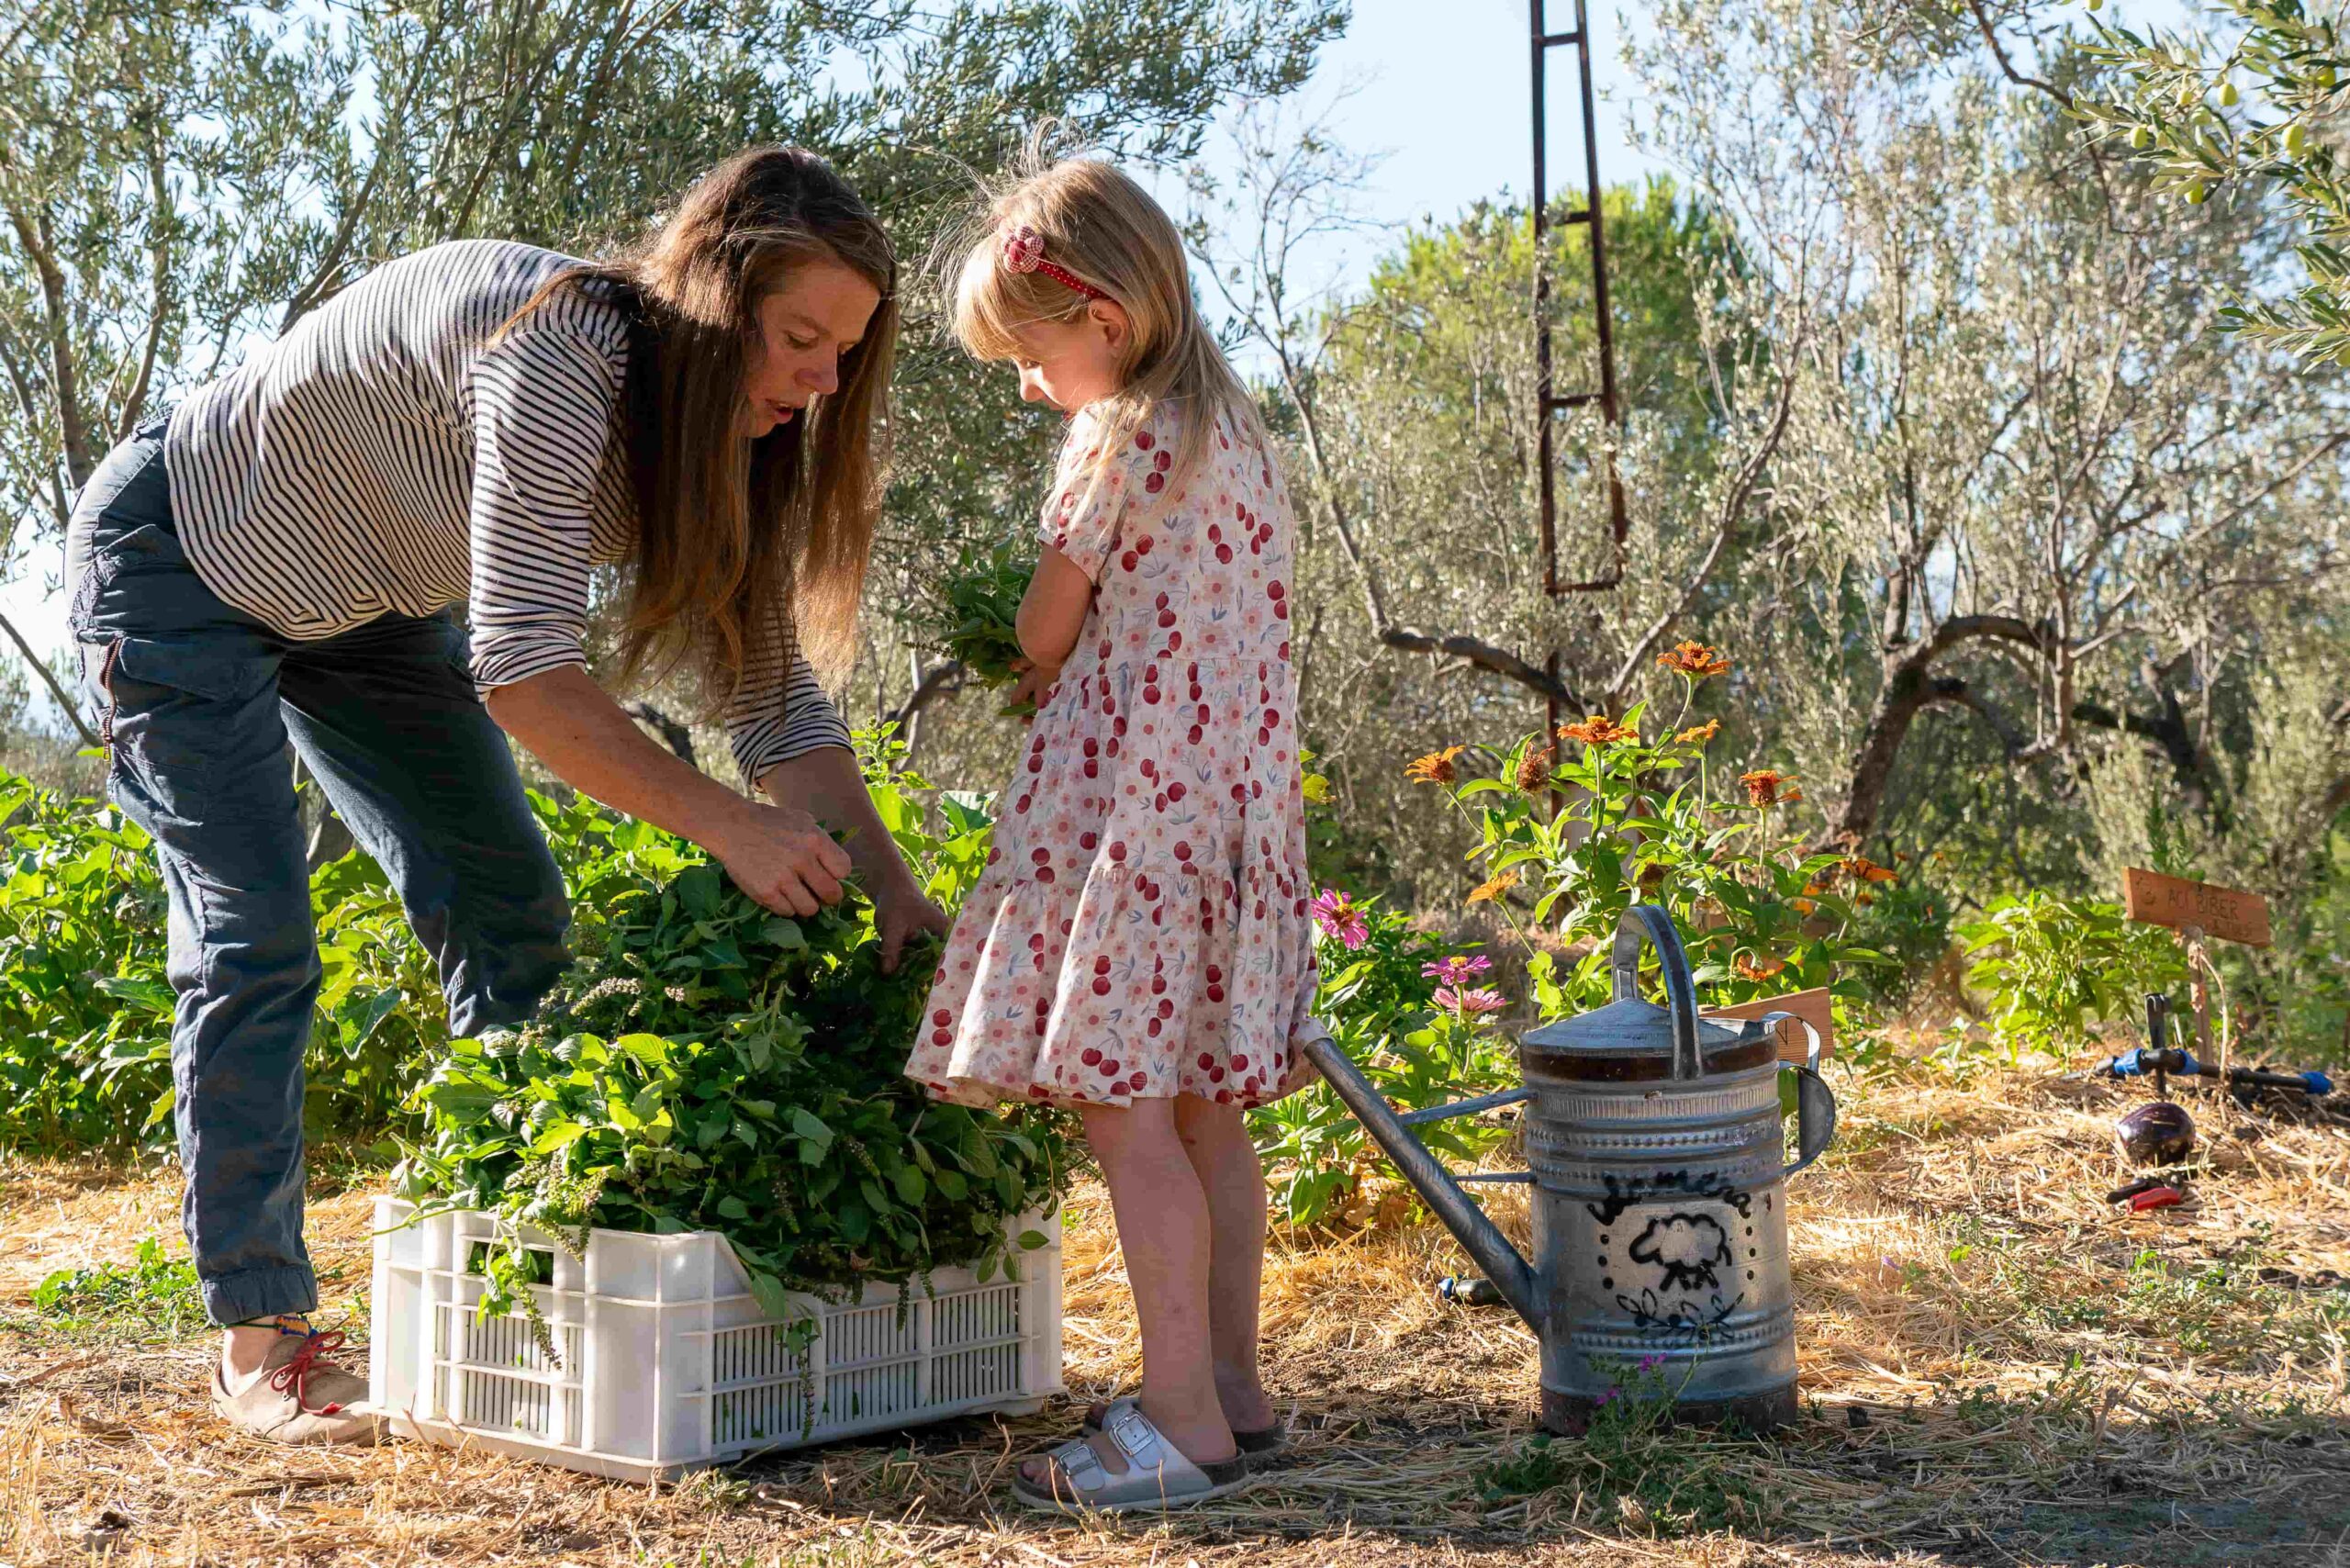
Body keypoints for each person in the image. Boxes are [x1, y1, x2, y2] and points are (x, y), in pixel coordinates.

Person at [63, 147, 946, 1447]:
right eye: (800, 338)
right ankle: (262, 1341)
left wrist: (895, 897)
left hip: (365, 614)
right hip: (181, 566)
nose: (821, 381)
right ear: (712, 302)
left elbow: (774, 705)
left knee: (511, 906)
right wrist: (726, 824)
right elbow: (527, 670)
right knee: (257, 938)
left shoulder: (732, 438)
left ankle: (522, 1285)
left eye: (843, 354)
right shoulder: (562, 353)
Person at [903, 149, 1320, 1514]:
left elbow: (1043, 625)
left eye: (1029, 358)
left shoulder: (1120, 432)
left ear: (1106, 322)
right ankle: (1238, 1391)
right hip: (1226, 829)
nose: (1029, 387)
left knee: (1124, 1117)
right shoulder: (1241, 435)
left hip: (1126, 826)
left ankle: (1180, 1414)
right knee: (1206, 1117)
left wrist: (1027, 655)